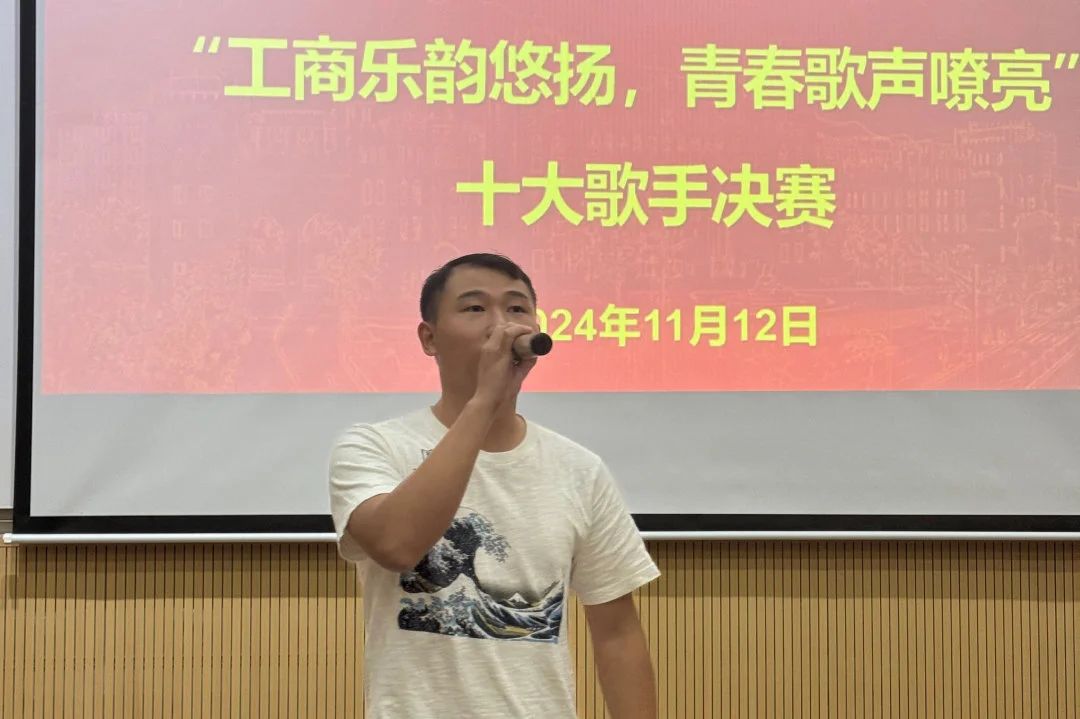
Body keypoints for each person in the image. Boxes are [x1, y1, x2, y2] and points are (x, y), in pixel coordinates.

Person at [329, 253, 660, 718]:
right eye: (475, 308)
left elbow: (617, 635)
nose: (502, 325)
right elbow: (396, 544)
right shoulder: (374, 447)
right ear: (429, 338)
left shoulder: (579, 469)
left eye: (517, 308)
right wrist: (485, 400)